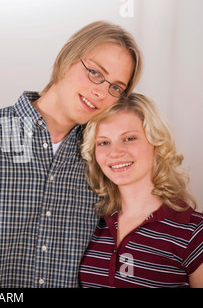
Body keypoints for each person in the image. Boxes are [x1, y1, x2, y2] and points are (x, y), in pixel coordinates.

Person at [0, 21, 144, 287]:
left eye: (116, 88)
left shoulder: (105, 158)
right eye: (96, 73)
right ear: (66, 59)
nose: (101, 92)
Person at [79, 93, 203, 288]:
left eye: (129, 138)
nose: (115, 152)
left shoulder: (195, 232)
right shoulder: (91, 224)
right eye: (103, 142)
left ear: (156, 143)